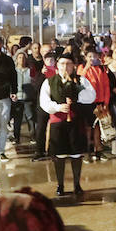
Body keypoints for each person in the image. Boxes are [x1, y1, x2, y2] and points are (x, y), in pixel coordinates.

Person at [40, 52, 97, 198]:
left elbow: (92, 96)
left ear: (73, 66)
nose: (65, 67)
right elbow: (44, 102)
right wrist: (58, 107)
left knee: (76, 153)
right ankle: (60, 185)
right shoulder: (49, 82)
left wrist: (76, 96)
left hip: (76, 123)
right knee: (59, 155)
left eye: (68, 64)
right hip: (58, 124)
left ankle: (77, 184)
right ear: (57, 66)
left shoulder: (81, 80)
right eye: (62, 64)